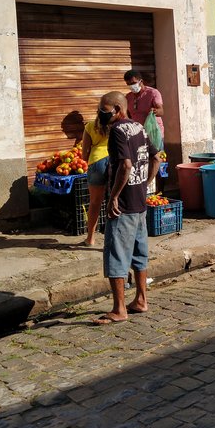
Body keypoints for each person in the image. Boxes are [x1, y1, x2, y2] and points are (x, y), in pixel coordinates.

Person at [93, 92, 161, 325]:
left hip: (122, 206)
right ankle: (141, 299)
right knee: (139, 254)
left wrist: (114, 197)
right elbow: (156, 158)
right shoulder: (139, 128)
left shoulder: (118, 132)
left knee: (116, 255)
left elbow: (126, 165)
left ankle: (119, 309)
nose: (101, 114)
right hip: (140, 202)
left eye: (104, 110)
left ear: (118, 110)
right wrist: (146, 183)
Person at [79, 98, 112, 247]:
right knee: (114, 201)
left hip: (96, 163)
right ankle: (112, 240)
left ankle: (90, 238)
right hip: (115, 162)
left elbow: (84, 155)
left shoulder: (90, 126)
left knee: (94, 203)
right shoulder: (116, 125)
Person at [124, 69, 164, 140]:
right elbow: (128, 115)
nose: (131, 86)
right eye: (129, 84)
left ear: (141, 81)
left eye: (133, 83)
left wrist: (155, 111)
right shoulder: (128, 97)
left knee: (156, 151)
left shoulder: (153, 93)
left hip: (153, 133)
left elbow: (161, 111)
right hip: (137, 133)